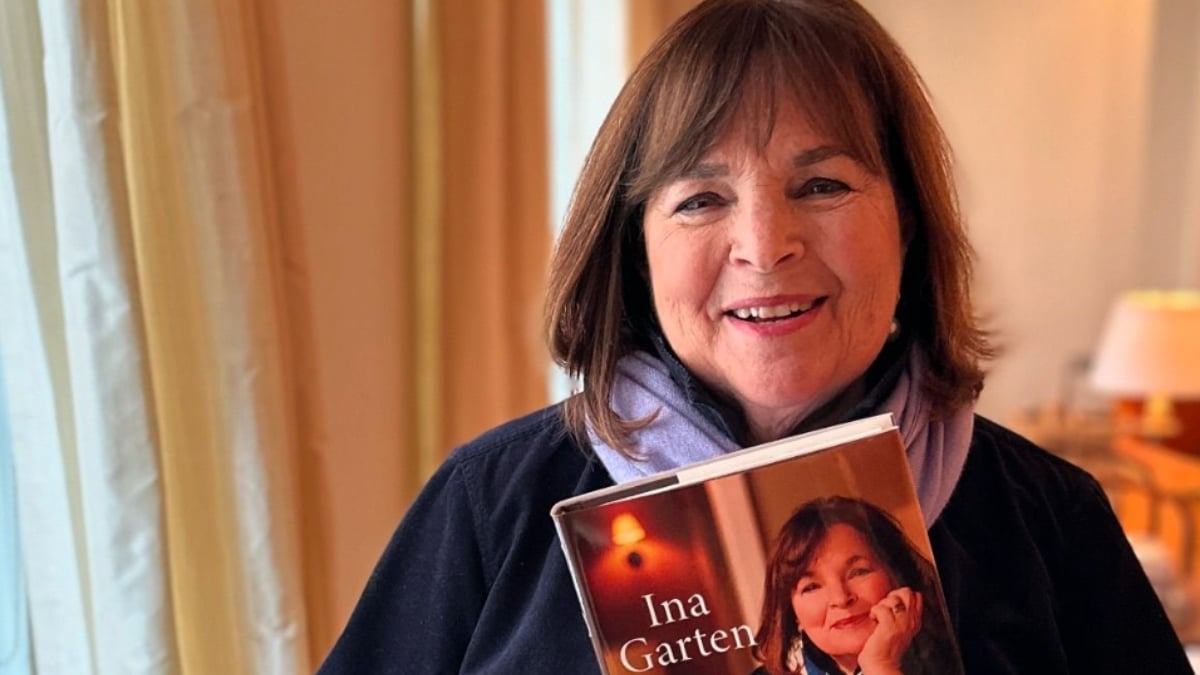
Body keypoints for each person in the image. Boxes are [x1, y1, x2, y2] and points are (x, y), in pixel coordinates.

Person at [319, 0, 1192, 673]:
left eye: (822, 185)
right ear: (635, 254)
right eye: (701, 199)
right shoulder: (495, 502)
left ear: (910, 223)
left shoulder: (1049, 518)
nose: (766, 243)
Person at [752, 496, 961, 675]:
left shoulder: (964, 651)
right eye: (812, 587)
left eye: (859, 572)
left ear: (897, 575)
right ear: (794, 614)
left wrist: (881, 665)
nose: (841, 599)